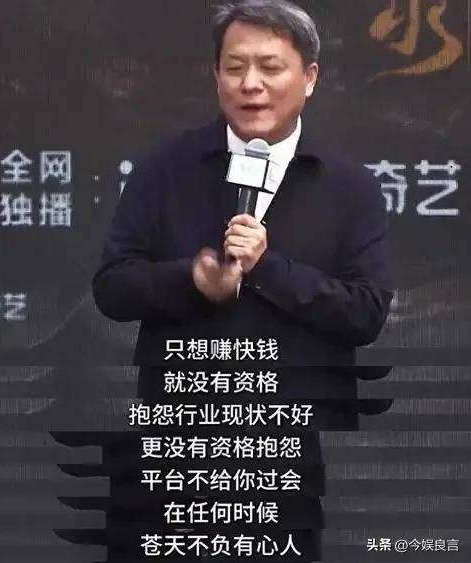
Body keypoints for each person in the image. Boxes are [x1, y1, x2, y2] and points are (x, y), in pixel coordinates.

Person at [92, 1, 393, 560]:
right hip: (177, 448)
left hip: (288, 454)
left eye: (270, 67)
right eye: (234, 67)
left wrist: (267, 268)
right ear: (216, 76)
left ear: (310, 78)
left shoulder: (348, 185)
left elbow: (365, 312)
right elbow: (112, 285)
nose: (250, 84)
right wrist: (191, 282)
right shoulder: (166, 167)